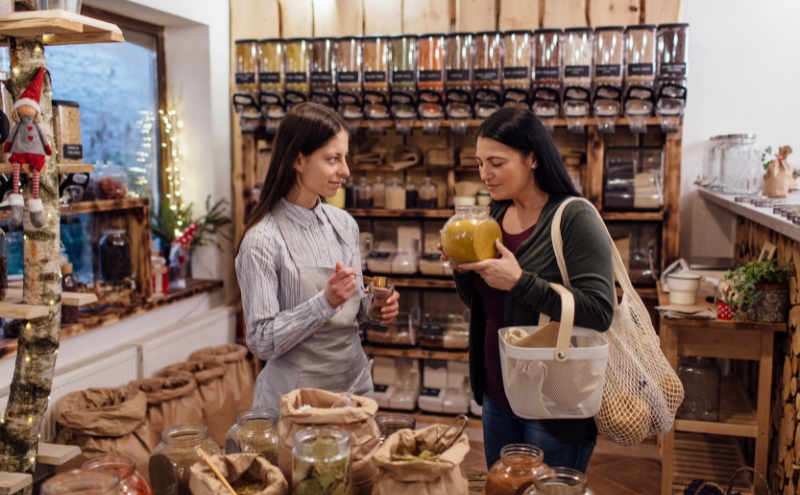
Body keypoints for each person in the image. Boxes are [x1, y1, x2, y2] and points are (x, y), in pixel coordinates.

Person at [439, 107, 615, 472]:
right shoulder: (493, 216)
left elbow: (600, 311)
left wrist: (521, 282)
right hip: (498, 393)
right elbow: (484, 304)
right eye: (480, 162)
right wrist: (462, 270)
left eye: (497, 163)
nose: (485, 174)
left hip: (554, 399)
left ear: (532, 158)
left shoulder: (574, 217)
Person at [232, 102, 400, 411]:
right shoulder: (262, 240)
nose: (345, 171)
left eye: (344, 158)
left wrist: (375, 305)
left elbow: (355, 314)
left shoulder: (344, 224)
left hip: (354, 394)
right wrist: (324, 302)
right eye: (333, 159)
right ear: (298, 159)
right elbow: (261, 341)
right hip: (297, 405)